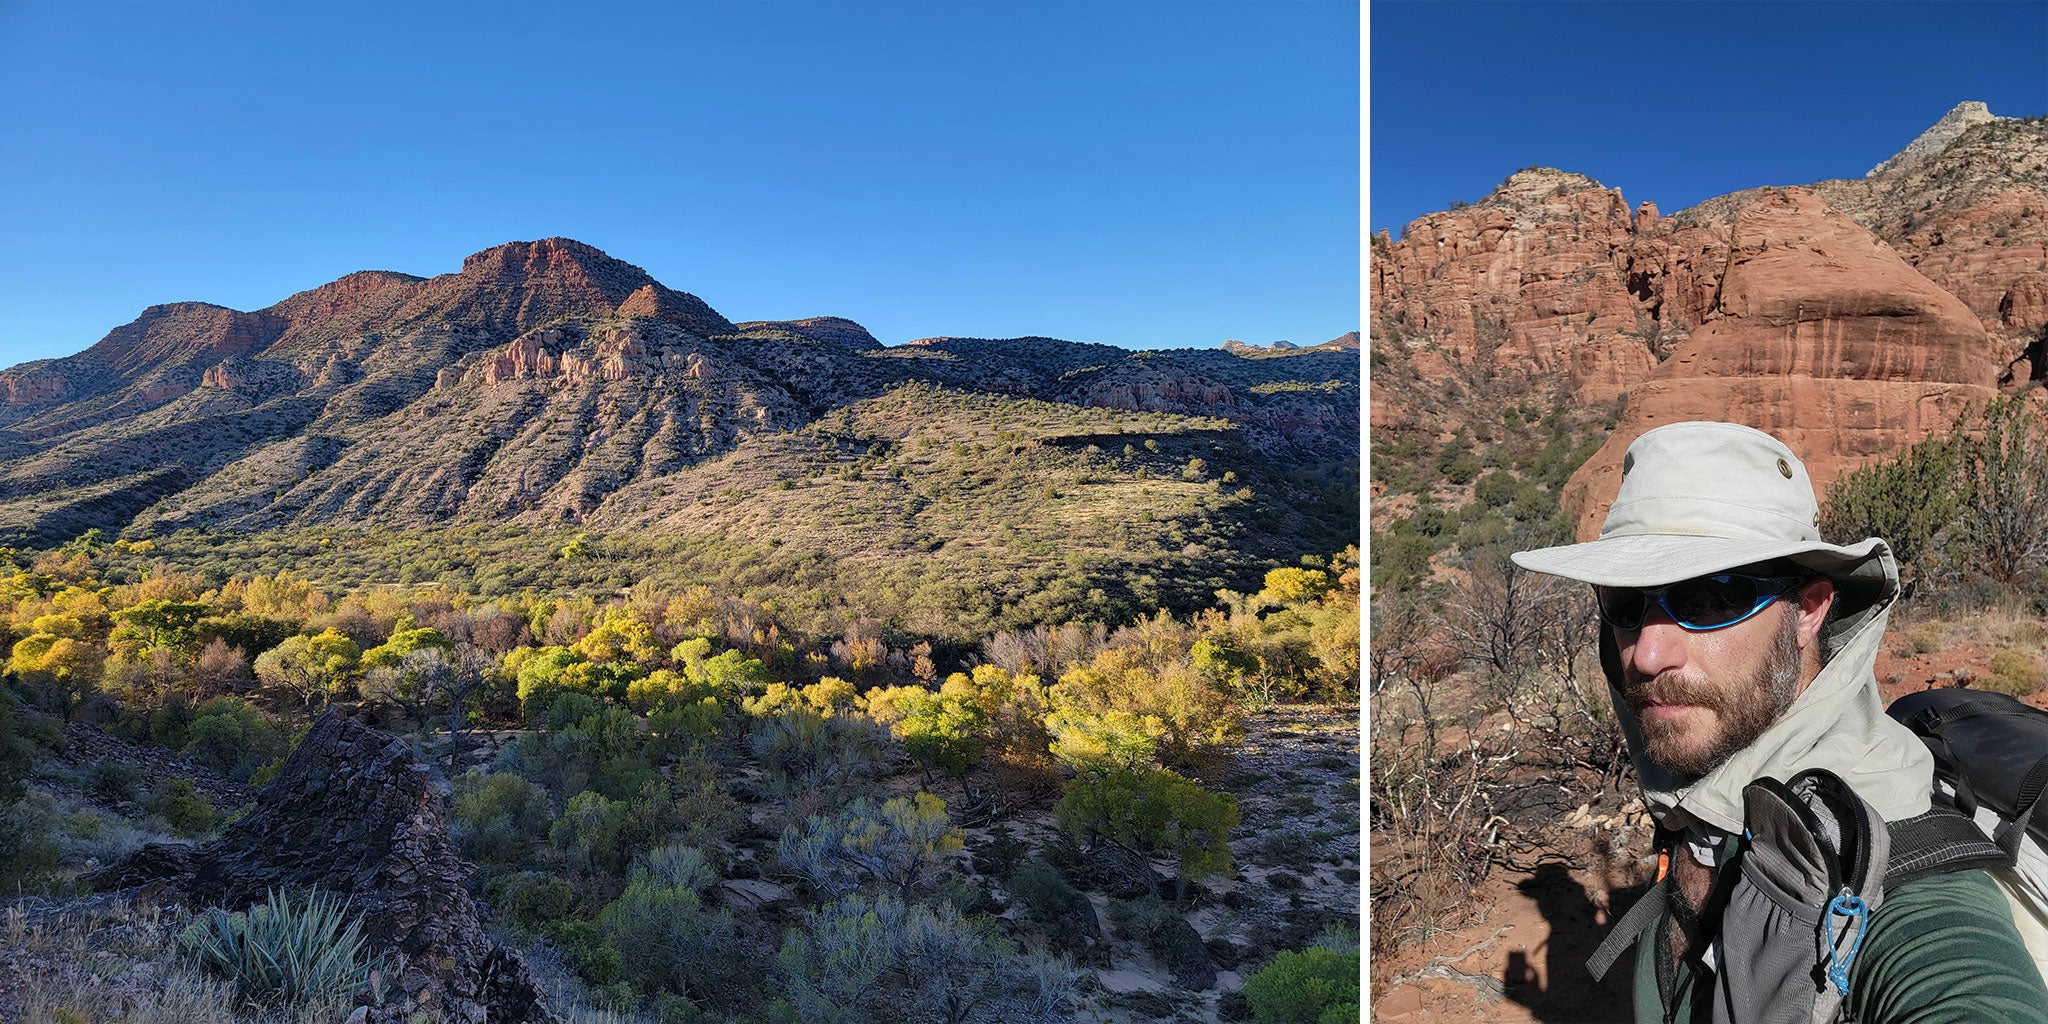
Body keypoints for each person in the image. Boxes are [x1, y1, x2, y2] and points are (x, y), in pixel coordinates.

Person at [1511, 420, 2047, 1023]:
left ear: (1809, 610)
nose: (1647, 653)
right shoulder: (1705, 768)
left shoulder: (1900, 881)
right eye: (1627, 603)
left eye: (1707, 599)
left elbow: (1963, 984)